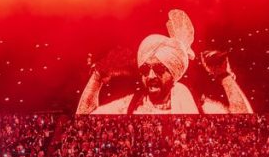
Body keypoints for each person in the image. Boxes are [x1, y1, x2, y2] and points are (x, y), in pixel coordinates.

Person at [76, 9, 253, 114]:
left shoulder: (200, 105)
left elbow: (244, 122)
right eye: (145, 70)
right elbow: (84, 121)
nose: (151, 76)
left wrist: (225, 77)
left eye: (159, 69)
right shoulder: (130, 106)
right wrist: (98, 76)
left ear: (174, 72)